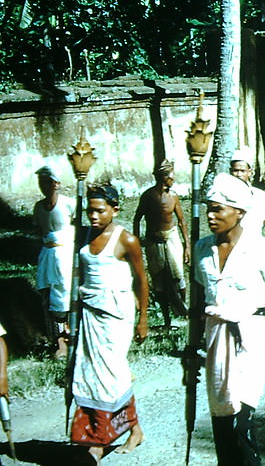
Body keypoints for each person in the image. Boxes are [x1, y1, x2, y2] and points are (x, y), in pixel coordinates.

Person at [191, 173, 265, 466]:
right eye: (209, 208)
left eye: (218, 209)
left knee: (240, 422)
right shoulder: (202, 250)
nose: (211, 216)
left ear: (239, 212)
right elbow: (198, 306)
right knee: (222, 424)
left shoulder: (264, 250)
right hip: (216, 338)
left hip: (250, 336)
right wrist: (191, 350)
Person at [71, 183, 148, 461]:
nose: (93, 216)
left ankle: (100, 438)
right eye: (89, 210)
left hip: (117, 314)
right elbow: (77, 277)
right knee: (89, 372)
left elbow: (142, 280)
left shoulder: (126, 240)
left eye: (99, 211)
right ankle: (128, 430)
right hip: (89, 312)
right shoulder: (83, 236)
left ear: (114, 209)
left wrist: (143, 319)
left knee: (111, 373)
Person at [133, 160, 189, 328]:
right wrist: (137, 240)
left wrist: (187, 246)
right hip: (153, 240)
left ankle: (183, 312)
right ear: (164, 178)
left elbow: (181, 221)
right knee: (159, 280)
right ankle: (166, 319)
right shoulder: (149, 196)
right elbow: (137, 218)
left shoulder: (174, 197)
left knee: (178, 276)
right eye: (171, 177)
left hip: (171, 238)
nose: (173, 180)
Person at [33, 166, 75, 357]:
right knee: (47, 294)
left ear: (56, 184)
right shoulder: (38, 207)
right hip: (47, 255)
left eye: (48, 182)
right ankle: (57, 340)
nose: (44, 186)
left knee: (64, 293)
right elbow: (38, 231)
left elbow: (80, 225)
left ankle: (71, 335)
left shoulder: (68, 203)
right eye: (41, 183)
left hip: (65, 254)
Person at [230, 148, 265, 241]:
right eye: (235, 170)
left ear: (249, 172)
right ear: (230, 171)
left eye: (242, 171)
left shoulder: (260, 196)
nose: (239, 174)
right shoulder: (223, 196)